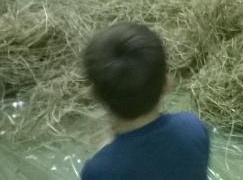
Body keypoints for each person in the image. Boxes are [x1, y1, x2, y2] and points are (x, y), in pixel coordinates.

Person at [81, 23, 209, 180]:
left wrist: (107, 150)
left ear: (94, 95)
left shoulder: (98, 170)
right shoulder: (193, 127)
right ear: (167, 84)